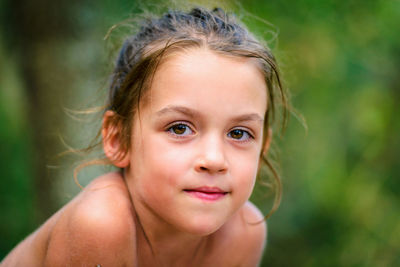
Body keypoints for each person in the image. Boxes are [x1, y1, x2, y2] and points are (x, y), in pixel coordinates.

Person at [1, 6, 288, 267]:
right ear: (118, 139)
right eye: (179, 128)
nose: (214, 159)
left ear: (262, 148)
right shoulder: (101, 224)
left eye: (239, 133)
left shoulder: (243, 233)